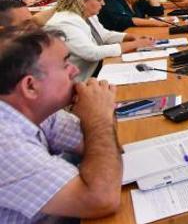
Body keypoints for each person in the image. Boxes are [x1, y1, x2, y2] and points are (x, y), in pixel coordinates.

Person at [0, 29, 122, 222]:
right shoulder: (6, 143)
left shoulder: (41, 110)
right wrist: (99, 116)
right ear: (30, 86)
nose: (76, 70)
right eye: (65, 65)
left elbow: (100, 145)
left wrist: (100, 112)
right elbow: (101, 199)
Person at [45, 0, 154, 79]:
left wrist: (131, 37)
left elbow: (104, 35)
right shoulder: (64, 22)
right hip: (80, 78)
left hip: (97, 68)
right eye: (99, 0)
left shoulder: (88, 14)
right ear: (82, 0)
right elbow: (92, 53)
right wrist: (136, 44)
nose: (103, 3)